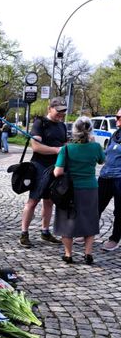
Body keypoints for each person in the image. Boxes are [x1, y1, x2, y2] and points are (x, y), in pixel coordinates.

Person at [53, 116, 104, 265]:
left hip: (70, 191)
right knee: (89, 220)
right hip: (90, 189)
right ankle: (88, 254)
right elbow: (102, 160)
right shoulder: (95, 147)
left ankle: (68, 255)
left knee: (67, 221)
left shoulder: (66, 149)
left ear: (74, 130)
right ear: (90, 131)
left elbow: (57, 172)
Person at [19, 97, 68, 248]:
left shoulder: (63, 126)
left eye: (63, 111)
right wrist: (56, 150)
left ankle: (45, 232)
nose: (61, 114)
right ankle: (24, 234)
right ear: (50, 109)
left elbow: (65, 144)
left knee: (50, 201)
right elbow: (36, 147)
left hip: (56, 167)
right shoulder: (40, 123)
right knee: (33, 201)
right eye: (58, 111)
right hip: (39, 167)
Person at [98, 108, 121, 251]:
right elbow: (106, 154)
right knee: (96, 206)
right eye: (117, 117)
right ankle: (88, 233)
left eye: (119, 117)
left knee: (119, 211)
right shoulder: (115, 135)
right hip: (105, 176)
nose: (117, 119)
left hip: (119, 178)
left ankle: (114, 239)